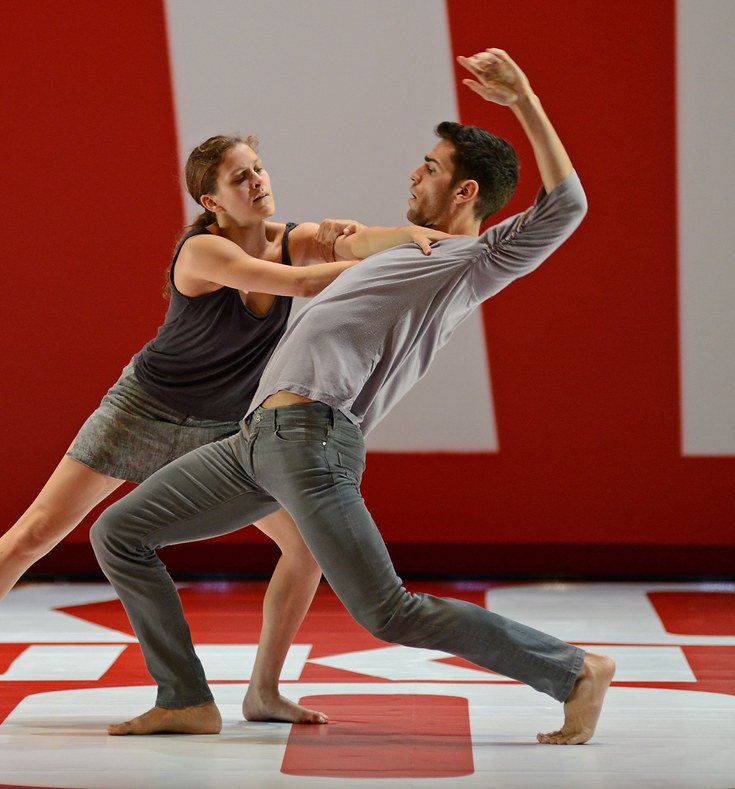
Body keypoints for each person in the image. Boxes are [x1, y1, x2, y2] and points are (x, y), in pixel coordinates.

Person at [90, 48, 615, 744]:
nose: (413, 172)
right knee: (118, 532)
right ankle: (184, 696)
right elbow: (343, 248)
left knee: (386, 610)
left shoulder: (470, 259)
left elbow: (568, 204)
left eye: (429, 167)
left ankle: (574, 671)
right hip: (253, 443)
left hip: (310, 440)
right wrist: (344, 242)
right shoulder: (399, 248)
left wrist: (522, 99)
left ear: (463, 193)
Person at [0, 132, 447, 727]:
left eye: (258, 169)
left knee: (305, 548)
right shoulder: (202, 253)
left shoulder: (291, 240)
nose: (258, 182)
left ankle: (264, 692)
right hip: (143, 411)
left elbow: (354, 239)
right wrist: (399, 253)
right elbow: (307, 284)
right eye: (240, 178)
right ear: (211, 201)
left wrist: (404, 237)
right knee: (36, 532)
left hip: (224, 429)